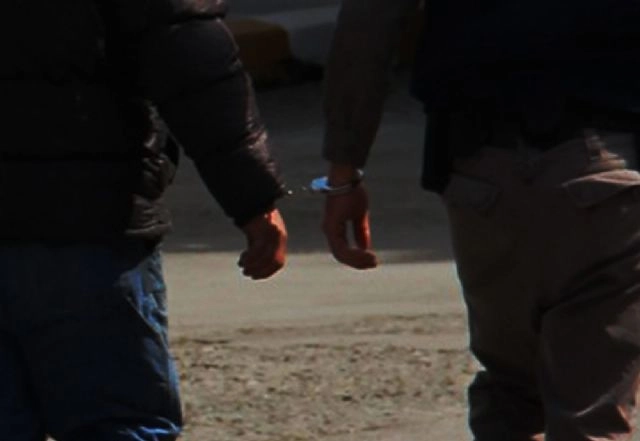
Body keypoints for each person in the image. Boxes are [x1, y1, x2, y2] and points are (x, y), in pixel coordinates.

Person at [318, 0, 640, 439]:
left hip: (481, 173)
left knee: (511, 392)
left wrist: (344, 170)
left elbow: (368, 24)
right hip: (609, 173)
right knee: (590, 404)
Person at [1, 1, 287, 440]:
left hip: (82, 214)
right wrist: (254, 199)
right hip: (85, 222)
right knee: (116, 420)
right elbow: (191, 61)